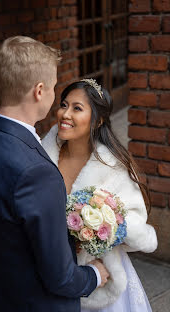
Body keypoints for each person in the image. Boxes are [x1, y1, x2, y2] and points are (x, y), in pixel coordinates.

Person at [0, 37, 110, 312]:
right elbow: (61, 277)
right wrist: (95, 275)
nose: (55, 96)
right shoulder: (38, 171)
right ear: (39, 91)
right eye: (54, 88)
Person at [42, 79, 158, 312]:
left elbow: (135, 221)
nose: (65, 114)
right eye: (64, 105)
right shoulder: (42, 156)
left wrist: (99, 232)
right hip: (51, 266)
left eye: (77, 108)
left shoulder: (113, 167)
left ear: (98, 120)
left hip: (101, 272)